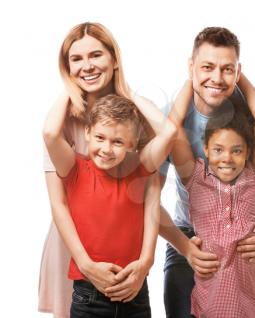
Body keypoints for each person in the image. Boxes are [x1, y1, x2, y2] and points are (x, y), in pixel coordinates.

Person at [159, 27, 255, 317]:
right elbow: (146, 199)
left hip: (253, 244)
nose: (216, 78)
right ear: (191, 67)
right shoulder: (174, 124)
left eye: (227, 69)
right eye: (206, 67)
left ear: (238, 71)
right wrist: (185, 248)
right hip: (192, 242)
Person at [38, 22, 164, 317]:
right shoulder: (60, 122)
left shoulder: (136, 118)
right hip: (74, 246)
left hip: (125, 249)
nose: (87, 66)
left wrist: (147, 260)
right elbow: (58, 203)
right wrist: (84, 263)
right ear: (66, 67)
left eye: (96, 55)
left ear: (114, 59)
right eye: (76, 59)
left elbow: (150, 197)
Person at [43, 92, 176, 317]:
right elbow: (49, 133)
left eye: (118, 142)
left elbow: (169, 132)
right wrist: (71, 91)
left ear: (132, 144)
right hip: (89, 295)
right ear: (87, 132)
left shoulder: (140, 169)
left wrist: (131, 94)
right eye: (100, 138)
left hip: (134, 292)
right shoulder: (75, 169)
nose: (106, 149)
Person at [169, 74, 255, 317]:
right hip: (213, 299)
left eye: (237, 150)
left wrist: (237, 77)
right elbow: (173, 127)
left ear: (248, 152)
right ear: (207, 149)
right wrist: (194, 78)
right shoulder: (196, 179)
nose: (227, 158)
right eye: (219, 150)